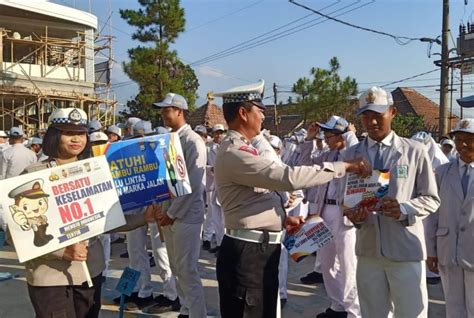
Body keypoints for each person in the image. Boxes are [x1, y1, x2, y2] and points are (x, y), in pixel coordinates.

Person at [212, 80, 369, 318]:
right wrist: (345, 166)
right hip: (248, 253)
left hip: (259, 248)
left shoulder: (244, 149)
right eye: (260, 111)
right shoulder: (236, 152)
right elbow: (288, 177)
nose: (263, 117)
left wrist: (282, 218)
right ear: (243, 114)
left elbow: (254, 198)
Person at [19, 107, 156, 318]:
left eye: (81, 133)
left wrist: (142, 218)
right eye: (68, 133)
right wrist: (62, 252)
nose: (76, 139)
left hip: (90, 271)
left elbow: (106, 219)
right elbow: (20, 231)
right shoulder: (33, 175)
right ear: (54, 135)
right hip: (50, 276)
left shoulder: (93, 171)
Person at [344, 87, 440, 318]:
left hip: (404, 249)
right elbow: (346, 199)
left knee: (411, 313)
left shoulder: (414, 151)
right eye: (366, 116)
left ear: (393, 112)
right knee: (372, 313)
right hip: (368, 250)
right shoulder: (351, 155)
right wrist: (352, 215)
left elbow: (432, 198)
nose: (372, 121)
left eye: (378, 114)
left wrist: (404, 208)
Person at [153, 92, 207, 318]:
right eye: (162, 110)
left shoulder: (193, 141)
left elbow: (193, 184)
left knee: (187, 270)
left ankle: (197, 314)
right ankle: (186, 309)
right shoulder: (169, 140)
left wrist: (172, 213)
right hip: (170, 214)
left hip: (186, 216)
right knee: (176, 268)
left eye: (167, 110)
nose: (164, 115)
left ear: (179, 111)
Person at [303, 116, 360, 318]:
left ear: (341, 135)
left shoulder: (353, 153)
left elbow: (356, 151)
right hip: (324, 211)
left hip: (344, 214)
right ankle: (337, 306)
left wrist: (350, 136)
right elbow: (304, 164)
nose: (325, 138)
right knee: (327, 263)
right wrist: (309, 139)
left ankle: (354, 312)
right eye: (325, 134)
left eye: (329, 134)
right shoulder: (328, 155)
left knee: (348, 264)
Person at [426, 118, 474, 318]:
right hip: (448, 250)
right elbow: (433, 214)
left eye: (469, 139)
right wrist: (431, 250)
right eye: (459, 139)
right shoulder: (443, 172)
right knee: (453, 307)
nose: (462, 145)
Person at [205, 123, 226, 254]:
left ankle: (224, 245)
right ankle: (219, 243)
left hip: (225, 186)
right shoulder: (208, 149)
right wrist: (210, 169)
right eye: (216, 133)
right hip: (213, 185)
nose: (219, 135)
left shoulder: (227, 147)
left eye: (221, 132)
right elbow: (203, 165)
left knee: (224, 219)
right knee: (215, 218)